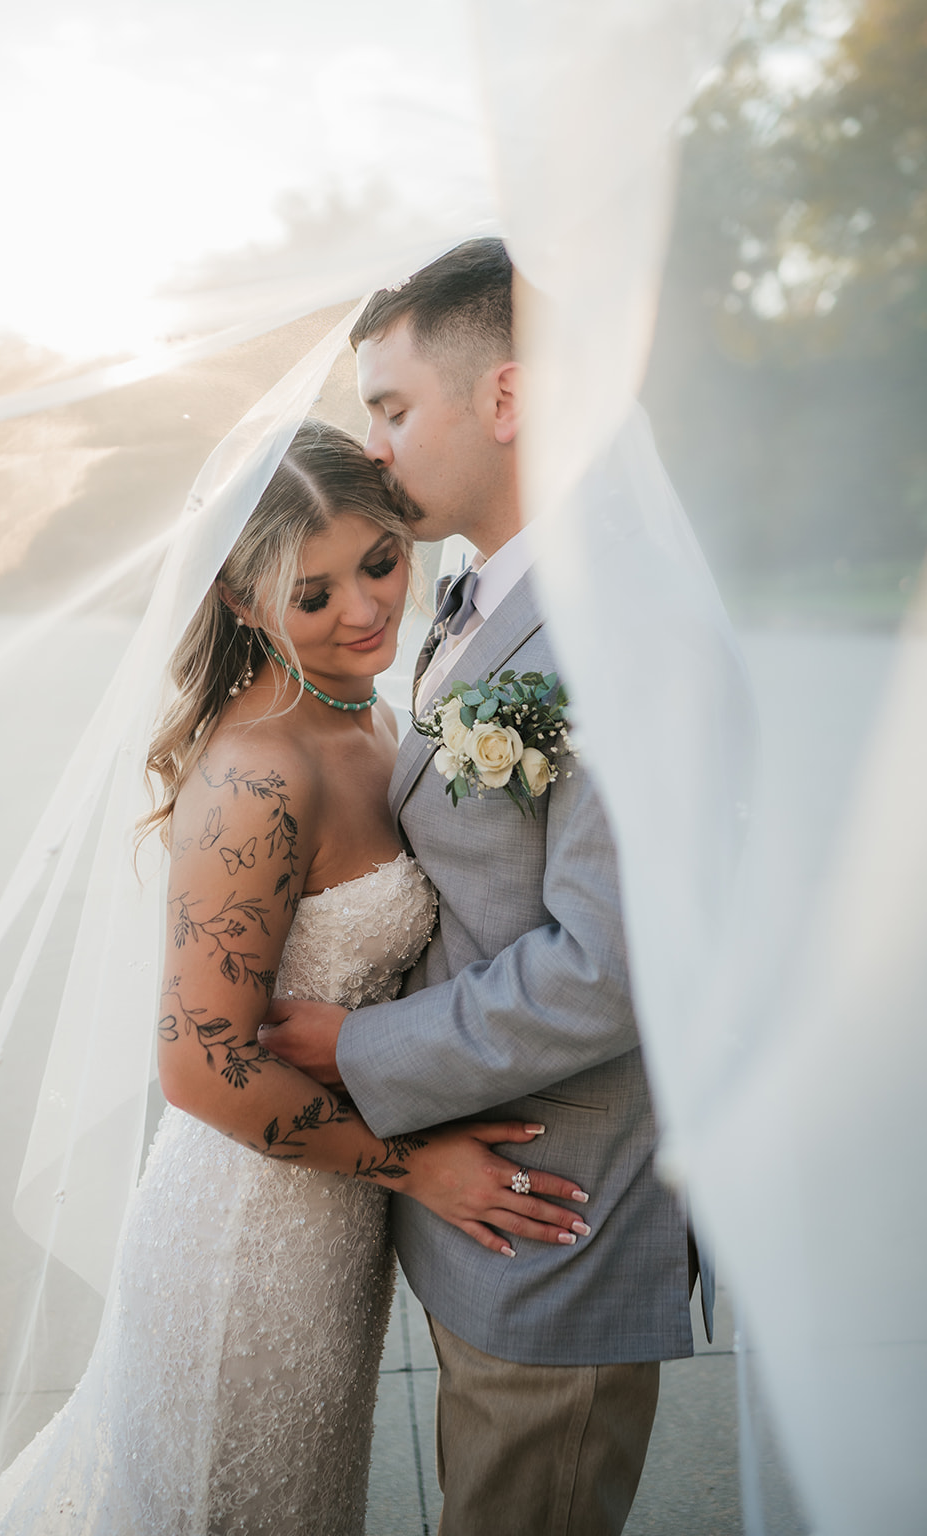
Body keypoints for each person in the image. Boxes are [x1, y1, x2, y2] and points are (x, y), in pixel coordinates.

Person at [0, 418, 589, 1536]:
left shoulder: (368, 710)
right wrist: (416, 1167)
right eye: (313, 593)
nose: (364, 608)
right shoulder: (257, 775)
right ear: (242, 602)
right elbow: (198, 1067)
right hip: (245, 1242)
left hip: (329, 1232)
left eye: (381, 561)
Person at [260, 243, 704, 1535]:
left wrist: (360, 1044)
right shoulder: (478, 590)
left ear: (505, 400)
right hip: (480, 1210)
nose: (376, 450)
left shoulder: (621, 624)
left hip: (554, 1221)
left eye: (392, 408)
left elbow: (609, 964)